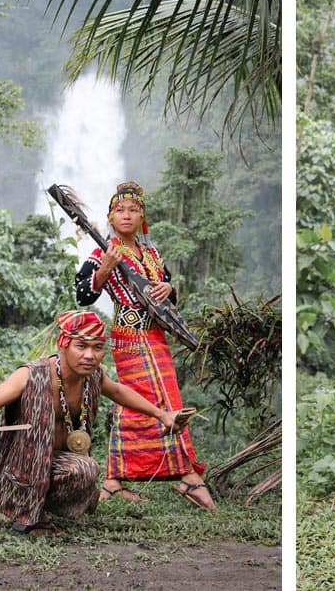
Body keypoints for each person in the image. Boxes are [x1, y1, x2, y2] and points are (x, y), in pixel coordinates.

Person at [0, 310, 185, 536]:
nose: (90, 355)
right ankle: (20, 504)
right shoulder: (30, 375)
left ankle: (15, 495)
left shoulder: (93, 376)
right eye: (81, 346)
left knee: (83, 474)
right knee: (85, 468)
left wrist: (162, 415)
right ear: (64, 344)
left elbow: (118, 391)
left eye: (97, 347)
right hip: (26, 463)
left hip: (59, 461)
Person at [75, 181, 216, 511]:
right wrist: (106, 269)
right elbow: (83, 295)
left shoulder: (153, 254)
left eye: (133, 211)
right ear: (110, 219)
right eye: (119, 211)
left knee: (135, 405)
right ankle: (187, 476)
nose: (126, 216)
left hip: (157, 336)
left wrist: (168, 287)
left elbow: (167, 289)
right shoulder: (102, 253)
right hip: (129, 336)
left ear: (142, 218)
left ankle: (112, 481)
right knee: (154, 401)